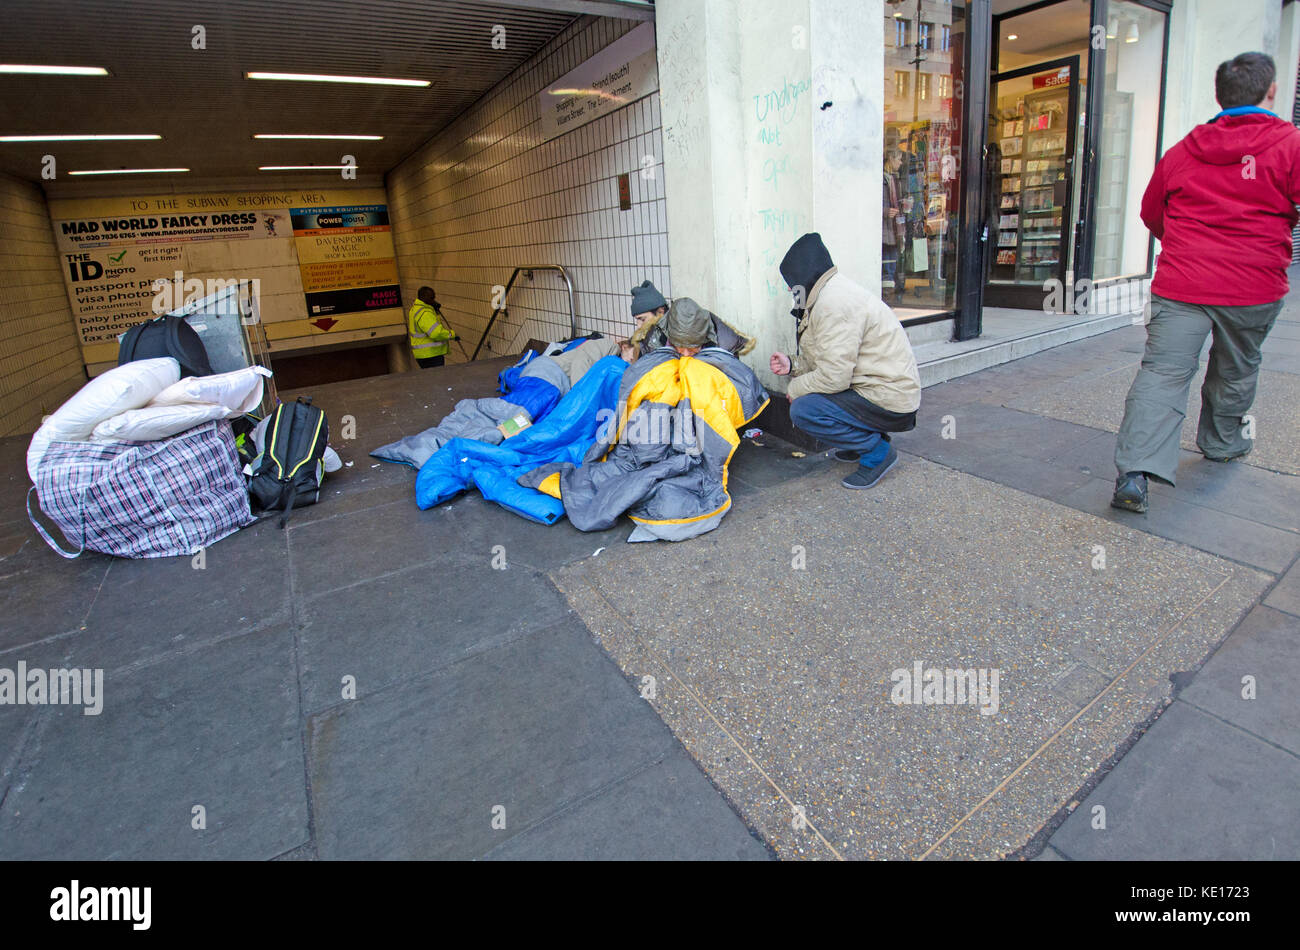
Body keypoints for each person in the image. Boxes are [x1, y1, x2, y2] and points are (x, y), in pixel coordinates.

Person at [1111, 51, 1300, 513]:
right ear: (1270, 91)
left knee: (1161, 372)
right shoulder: (1290, 145)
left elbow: (1151, 211)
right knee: (1236, 367)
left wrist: (1187, 246)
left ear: (1219, 96)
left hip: (1182, 284)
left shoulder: (1182, 151)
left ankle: (1135, 473)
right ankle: (1221, 443)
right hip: (1253, 286)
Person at [769, 232, 921, 489]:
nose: (788, 288)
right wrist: (792, 365)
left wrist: (795, 388)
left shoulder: (833, 303)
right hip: (879, 390)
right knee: (814, 399)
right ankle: (862, 441)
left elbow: (834, 377)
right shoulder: (828, 294)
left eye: (790, 280)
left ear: (804, 273)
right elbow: (828, 359)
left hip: (890, 398)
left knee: (804, 410)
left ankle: (876, 453)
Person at [407, 285, 455, 368]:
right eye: (432, 298)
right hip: (431, 354)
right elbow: (436, 333)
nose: (434, 300)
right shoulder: (425, 313)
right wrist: (451, 334)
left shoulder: (415, 309)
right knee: (438, 379)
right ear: (424, 297)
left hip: (422, 354)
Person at [882, 150, 906, 304]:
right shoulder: (883, 179)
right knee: (887, 264)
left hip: (893, 228)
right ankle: (886, 298)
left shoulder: (893, 178)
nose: (901, 162)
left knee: (891, 263)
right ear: (890, 159)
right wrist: (885, 211)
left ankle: (888, 296)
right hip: (885, 229)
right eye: (899, 159)